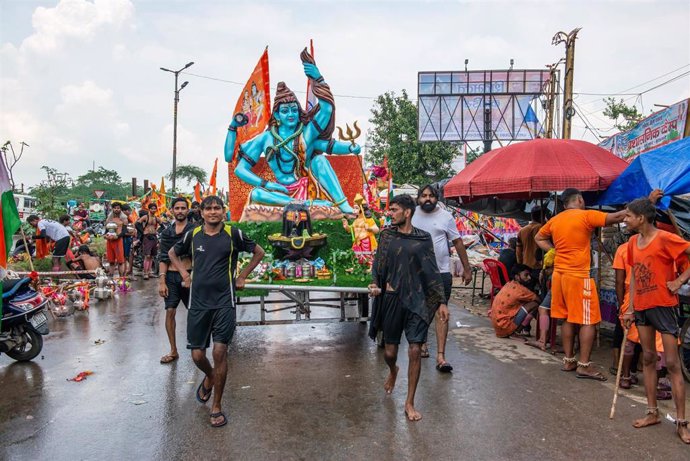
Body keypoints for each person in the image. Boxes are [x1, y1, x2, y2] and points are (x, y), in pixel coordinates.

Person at [169, 195, 265, 428]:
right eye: (208, 209)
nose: (213, 212)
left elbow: (259, 252)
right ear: (201, 212)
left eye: (217, 208)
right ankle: (210, 376)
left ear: (224, 211)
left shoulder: (233, 235)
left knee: (220, 351)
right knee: (198, 355)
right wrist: (184, 274)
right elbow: (172, 253)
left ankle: (217, 406)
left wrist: (242, 276)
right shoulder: (193, 235)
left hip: (224, 301)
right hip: (199, 303)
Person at [368, 194, 447, 422]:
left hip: (417, 300)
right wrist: (375, 283)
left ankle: (410, 402)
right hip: (392, 298)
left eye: (394, 210)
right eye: (390, 210)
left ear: (407, 212)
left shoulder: (423, 238)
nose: (390, 213)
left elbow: (432, 270)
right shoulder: (386, 236)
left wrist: (441, 301)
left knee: (414, 350)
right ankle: (393, 370)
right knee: (390, 353)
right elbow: (378, 265)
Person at [535, 188, 626, 380]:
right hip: (578, 276)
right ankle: (584, 365)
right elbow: (617, 217)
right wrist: (644, 203)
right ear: (579, 199)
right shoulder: (586, 215)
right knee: (589, 320)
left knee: (567, 318)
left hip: (559, 276)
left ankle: (569, 360)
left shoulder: (555, 220)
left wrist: (555, 250)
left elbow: (539, 238)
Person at [621, 197, 690, 444]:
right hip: (641, 308)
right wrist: (629, 310)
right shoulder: (631, 242)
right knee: (648, 358)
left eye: (628, 215)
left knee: (672, 364)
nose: (625, 219)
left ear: (641, 218)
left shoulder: (664, 238)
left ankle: (682, 422)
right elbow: (635, 277)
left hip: (663, 305)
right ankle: (652, 413)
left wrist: (679, 281)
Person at [411, 184, 472, 373]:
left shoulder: (446, 217)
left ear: (437, 198)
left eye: (431, 196)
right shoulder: (411, 214)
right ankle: (421, 342)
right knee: (420, 309)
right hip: (416, 272)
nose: (427, 199)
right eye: (424, 195)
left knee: (441, 312)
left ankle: (441, 356)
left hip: (441, 272)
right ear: (418, 198)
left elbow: (458, 242)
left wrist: (466, 268)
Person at [158, 197, 195, 365]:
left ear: (187, 210)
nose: (180, 211)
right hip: (172, 277)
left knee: (195, 312)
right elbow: (163, 258)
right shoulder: (166, 233)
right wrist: (162, 281)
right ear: (172, 210)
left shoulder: (195, 230)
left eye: (183, 208)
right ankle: (173, 350)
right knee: (170, 311)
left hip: (191, 276)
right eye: (177, 208)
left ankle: (197, 347)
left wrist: (192, 275)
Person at [489, 264, 540, 338]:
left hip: (498, 327)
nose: (529, 278)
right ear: (517, 276)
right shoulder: (520, 290)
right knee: (535, 304)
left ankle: (521, 330)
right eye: (526, 275)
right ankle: (517, 331)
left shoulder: (509, 284)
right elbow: (538, 299)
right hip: (505, 327)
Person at [138, 203, 161, 279]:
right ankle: (145, 273)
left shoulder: (156, 218)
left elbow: (163, 225)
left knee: (151, 256)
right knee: (147, 255)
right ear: (149, 209)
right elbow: (137, 224)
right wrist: (143, 231)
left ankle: (150, 272)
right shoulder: (145, 217)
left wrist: (160, 232)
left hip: (154, 237)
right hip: (147, 237)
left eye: (155, 208)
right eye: (152, 208)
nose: (153, 210)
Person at [105, 202, 127, 277]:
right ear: (112, 209)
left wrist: (117, 236)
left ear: (120, 209)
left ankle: (121, 278)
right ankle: (111, 276)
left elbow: (124, 231)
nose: (116, 209)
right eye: (115, 208)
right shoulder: (109, 218)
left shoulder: (124, 218)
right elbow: (106, 229)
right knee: (111, 261)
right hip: (109, 241)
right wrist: (105, 235)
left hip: (118, 241)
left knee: (120, 261)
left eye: (118, 208)